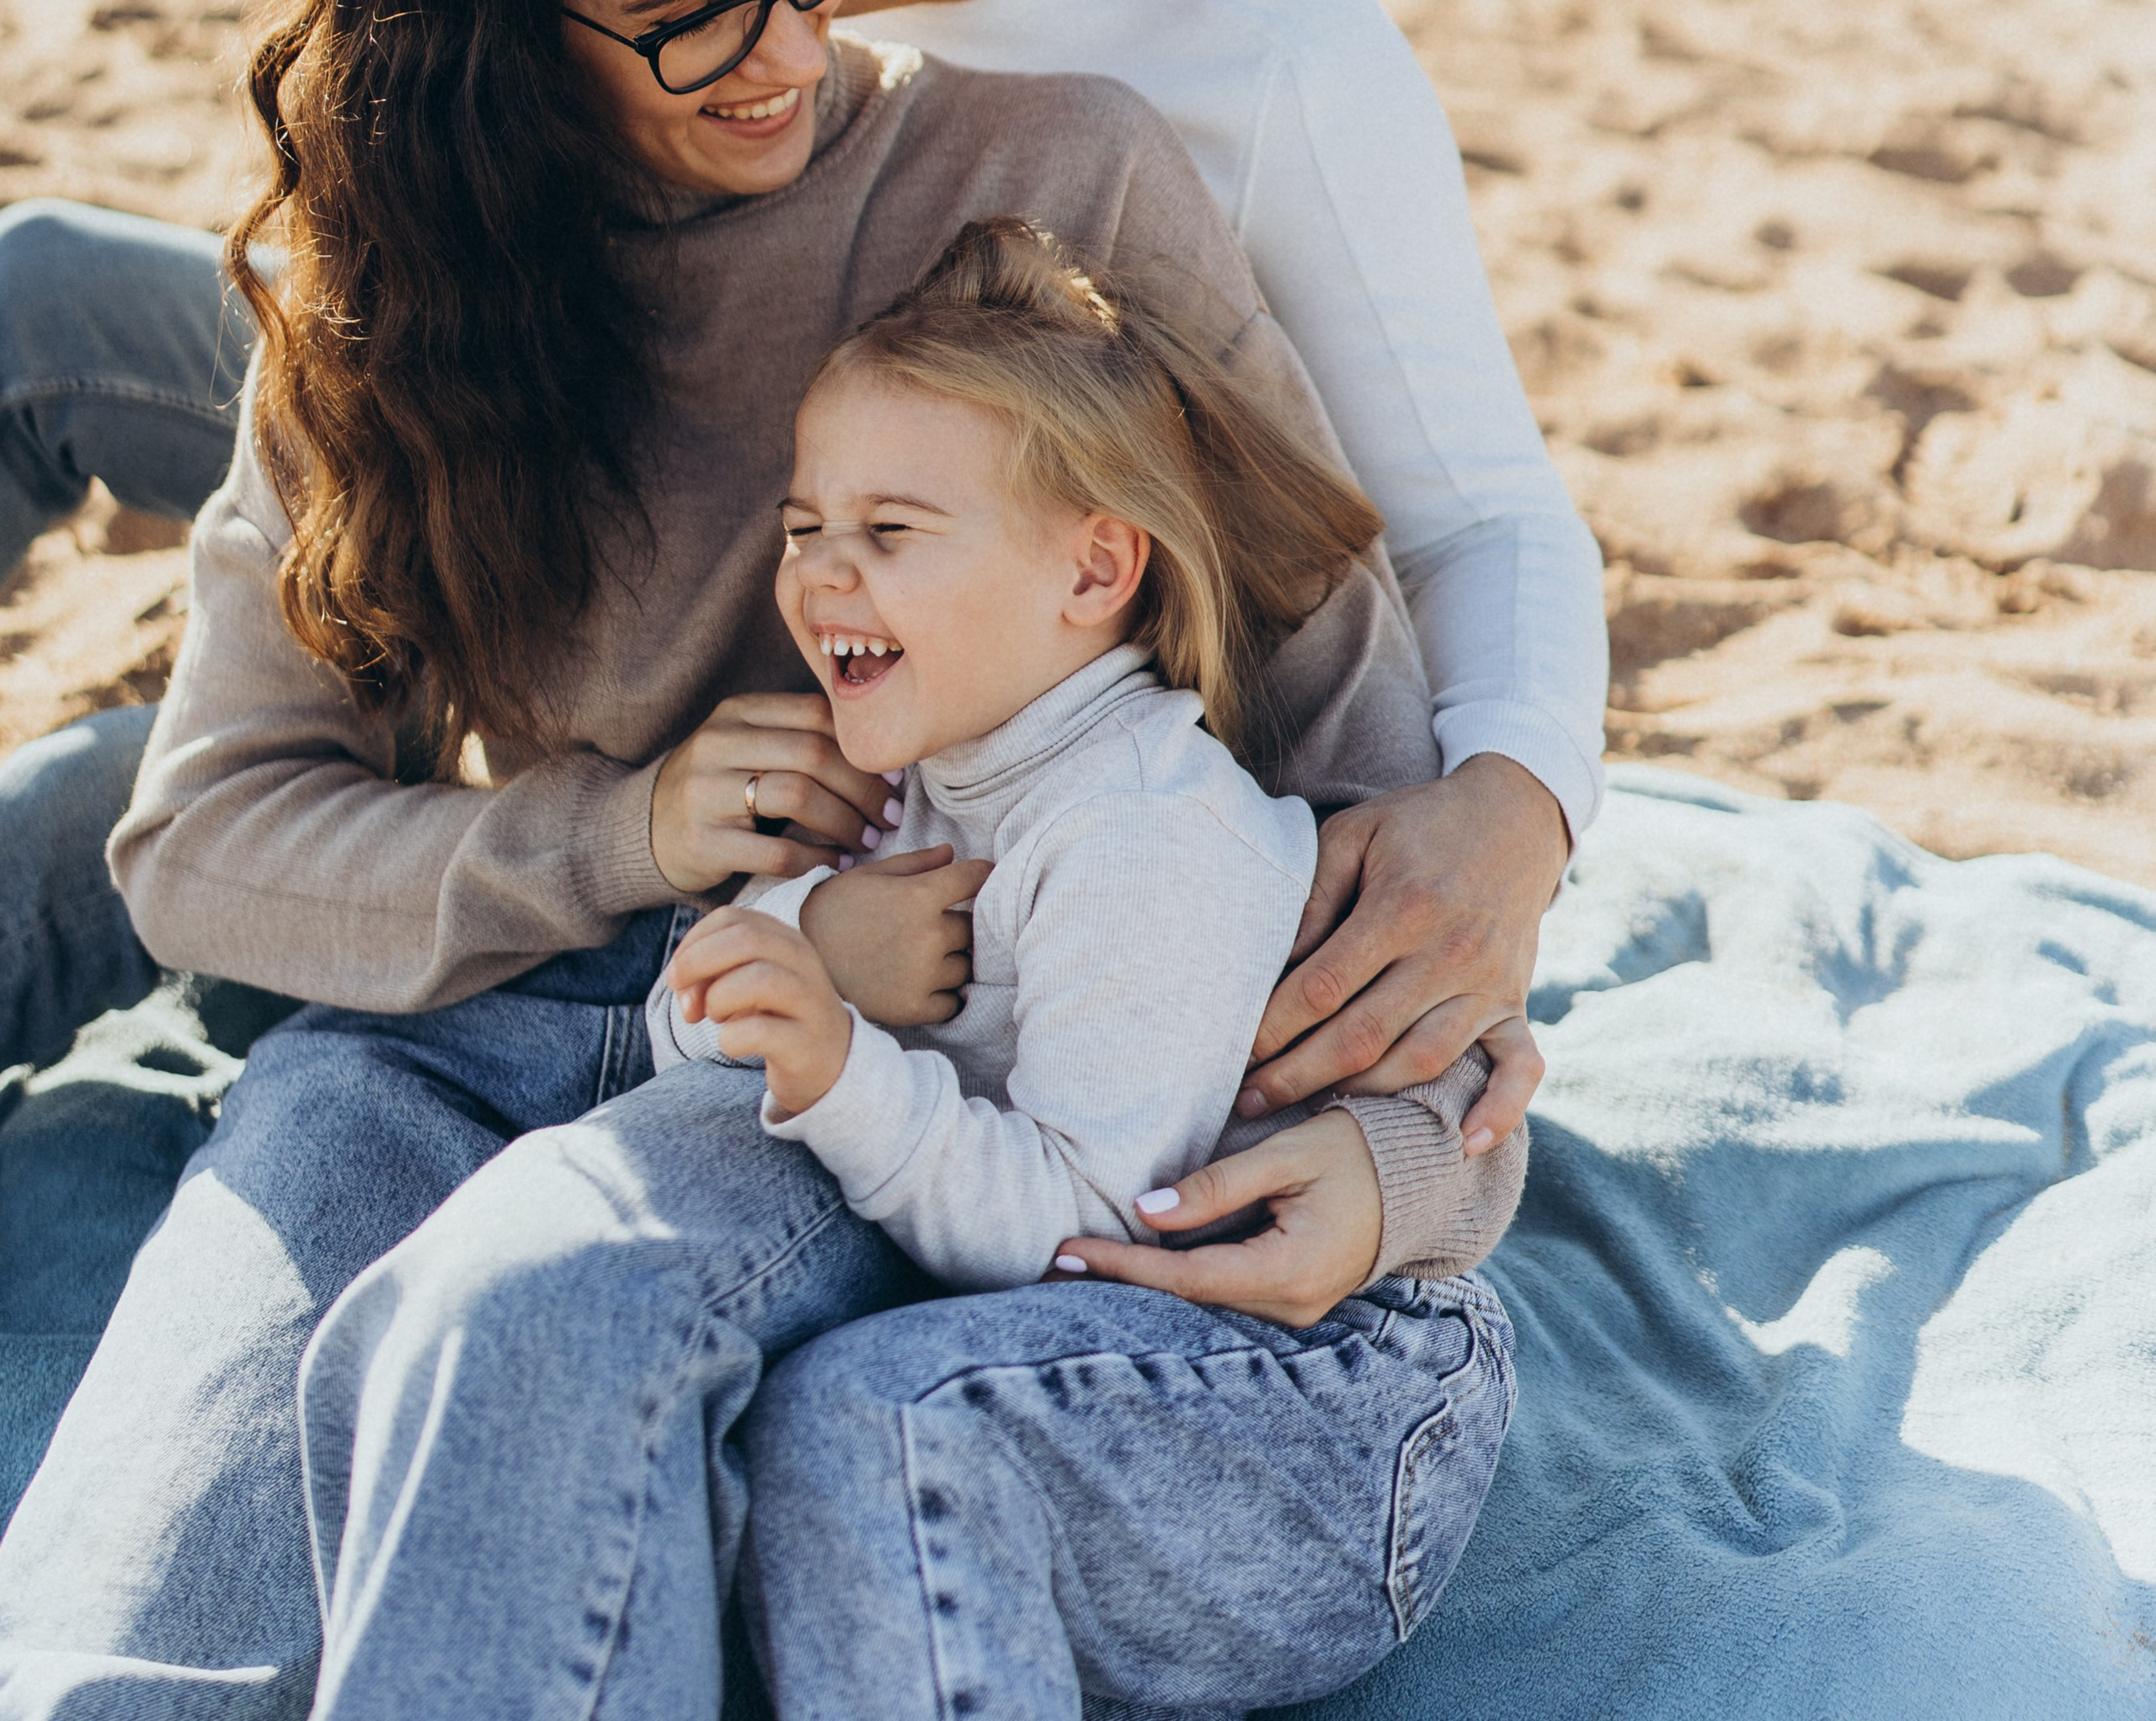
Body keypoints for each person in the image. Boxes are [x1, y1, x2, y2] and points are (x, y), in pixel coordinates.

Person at [0, 0, 1497, 1709]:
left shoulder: (1048, 183)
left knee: (531, 1337)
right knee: (125, 1633)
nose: (794, 40)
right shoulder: (384, 298)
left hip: (867, 1054)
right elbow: (203, 844)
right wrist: (620, 833)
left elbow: (1353, 754)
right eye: (695, 14)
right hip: (461, 1028)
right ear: (498, 52)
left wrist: (1416, 1166)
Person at [0, 0, 1604, 1155]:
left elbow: (1459, 517)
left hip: (901, 575)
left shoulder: (1240, 74)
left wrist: (1507, 822)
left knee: (157, 824)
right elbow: (218, 828)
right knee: (51, 323)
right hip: (550, 378)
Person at [291, 216, 1522, 1719]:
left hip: (1322, 1393)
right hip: (1069, 1333)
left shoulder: (1146, 833)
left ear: (1094, 568)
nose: (822, 576)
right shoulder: (906, 766)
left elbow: (1089, 1226)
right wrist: (811, 953)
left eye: (890, 532)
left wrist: (844, 1070)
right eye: (805, 527)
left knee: (876, 1424)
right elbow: (690, 1030)